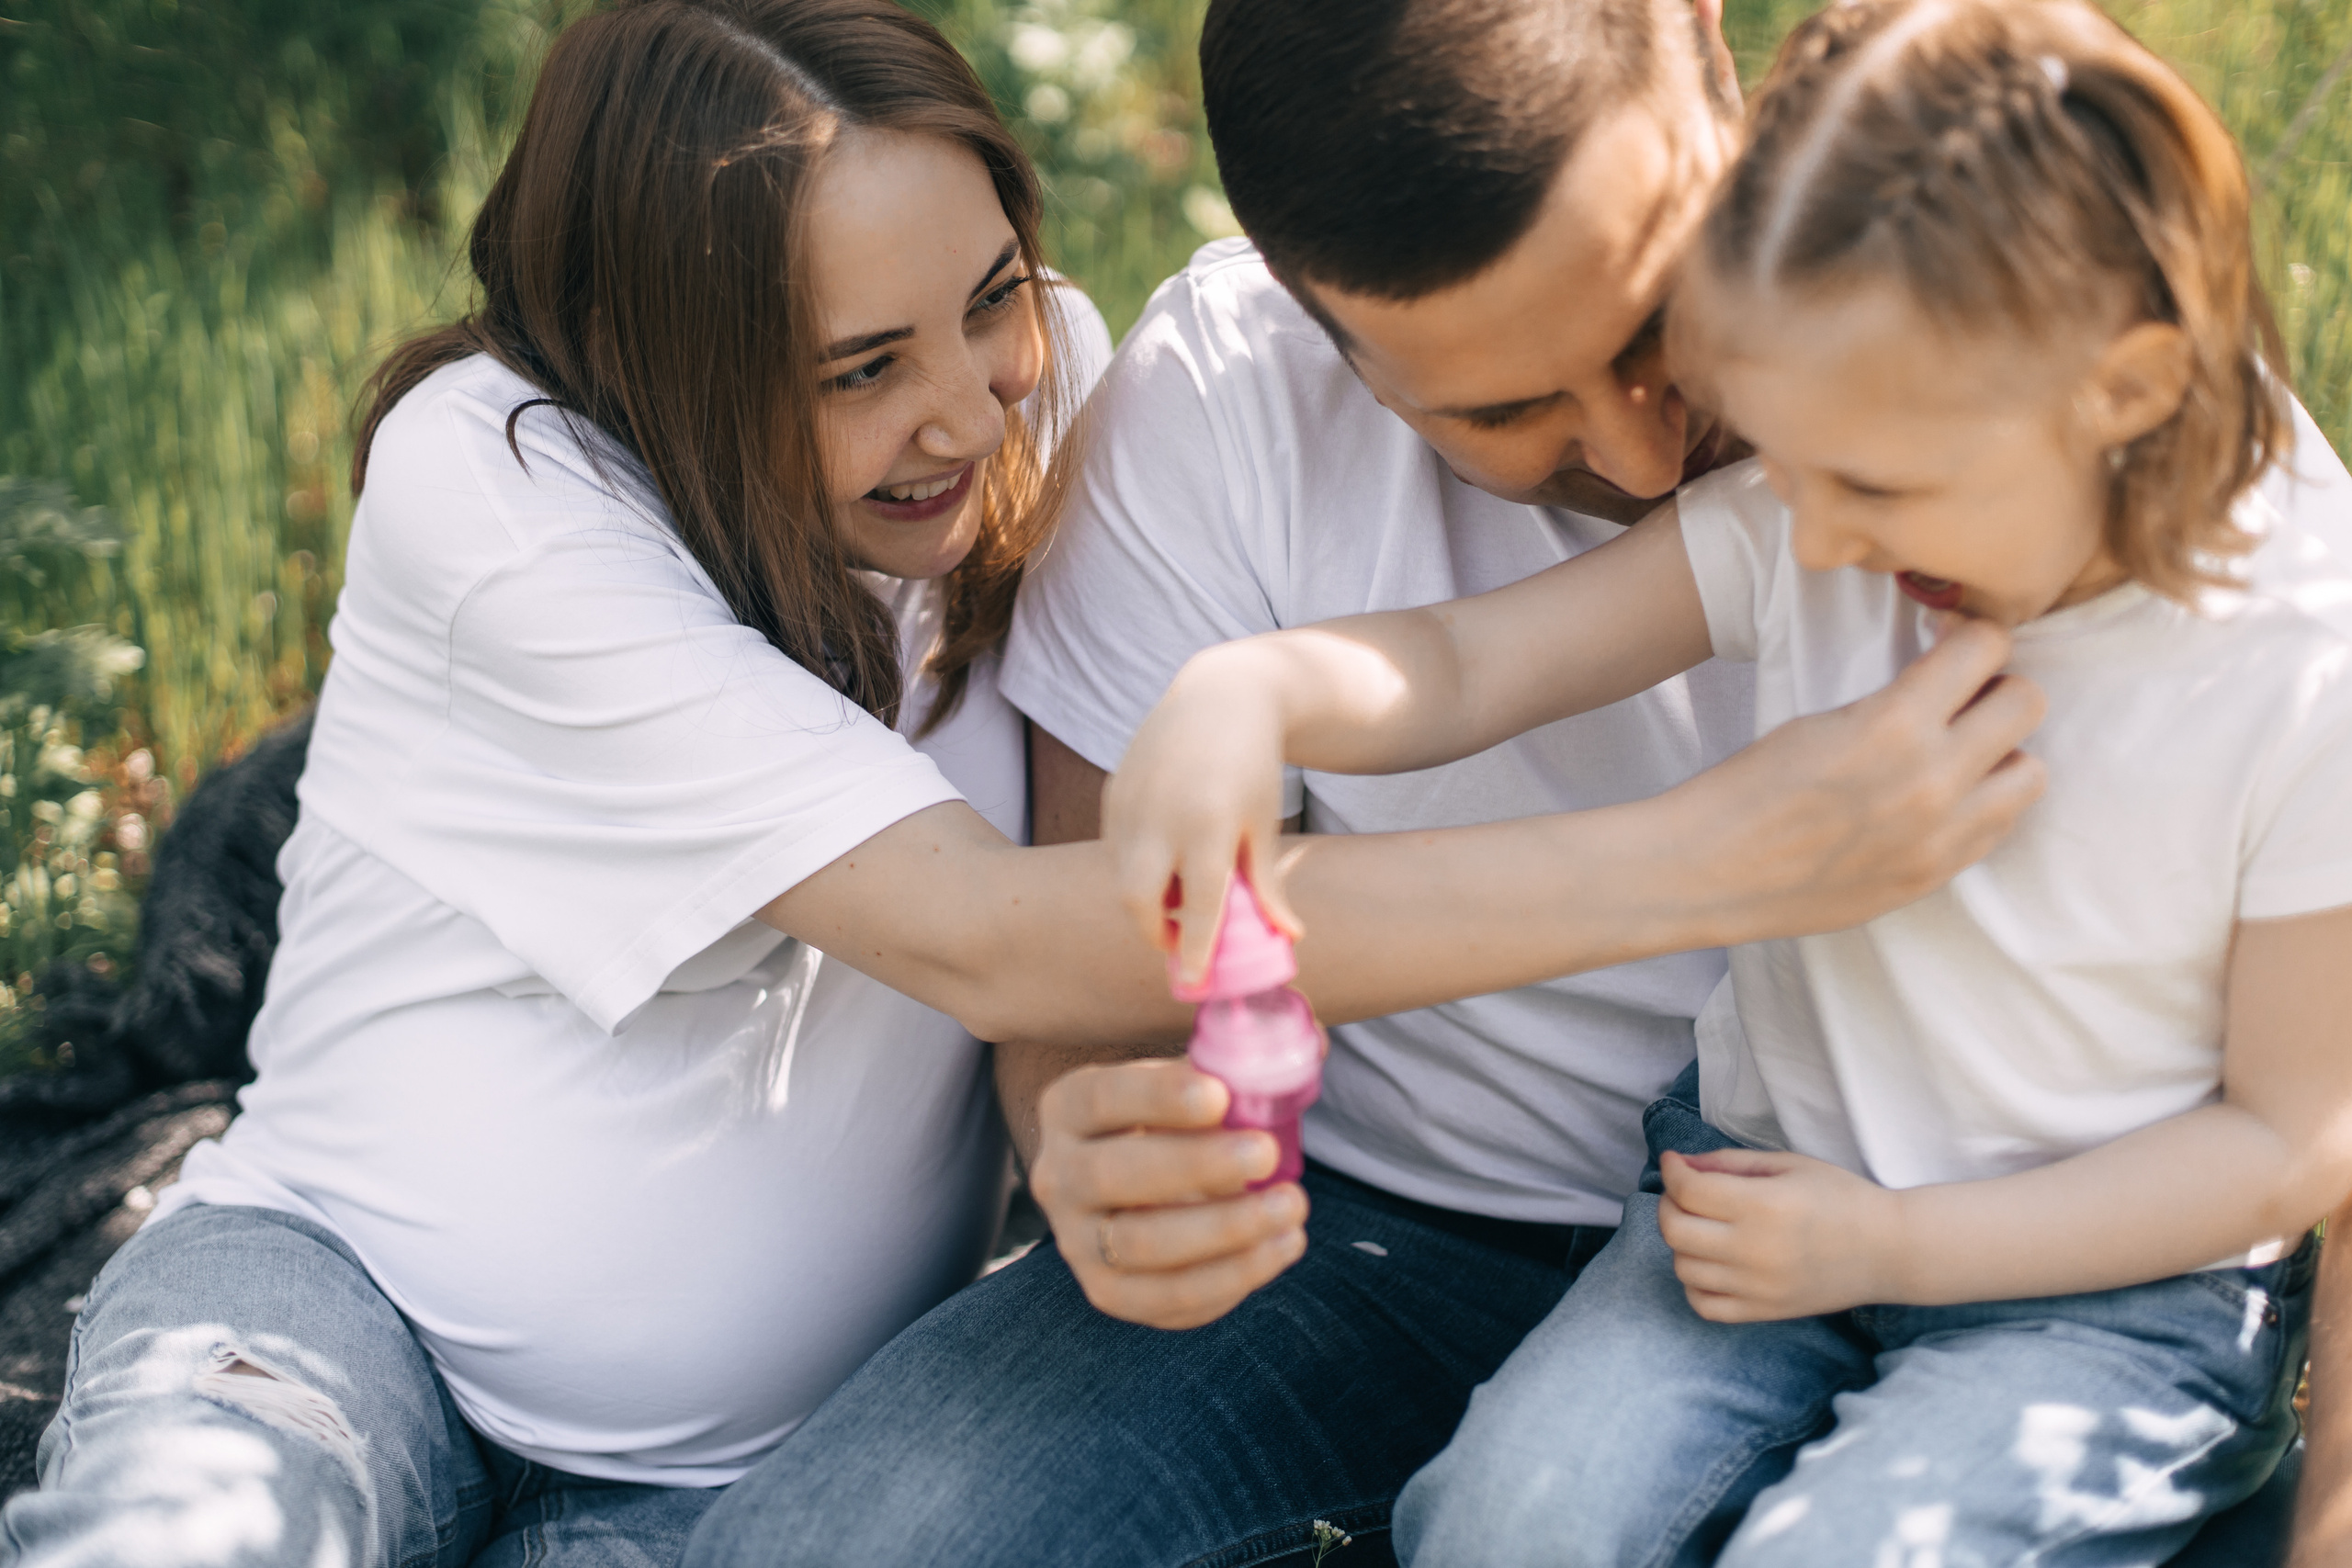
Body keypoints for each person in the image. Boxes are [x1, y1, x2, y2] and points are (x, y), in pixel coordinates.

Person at [0, 3, 2043, 1566]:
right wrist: (1087, 1132)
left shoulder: (1037, 409)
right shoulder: (526, 483)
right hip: (400, 1295)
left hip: (1783, 1194)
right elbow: (1026, 945)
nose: (969, 406)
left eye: (986, 307)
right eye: (1505, 404)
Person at [680, 0, 2352, 1564]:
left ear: (1709, 49)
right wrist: (1084, 1144)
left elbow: (2310, 1088)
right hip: (1410, 1234)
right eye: (1499, 408)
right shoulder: (1227, 405)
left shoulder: (2003, 364)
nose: (1637, 455)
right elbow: (1104, 981)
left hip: (2027, 1239)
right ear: (1320, 321)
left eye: (1651, 324)